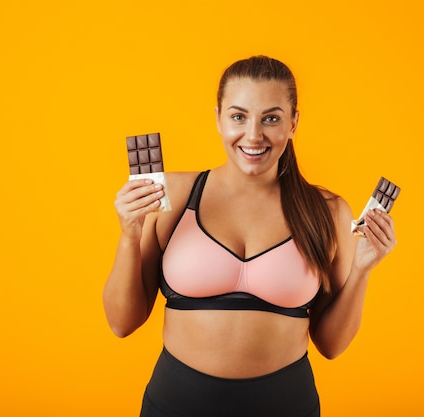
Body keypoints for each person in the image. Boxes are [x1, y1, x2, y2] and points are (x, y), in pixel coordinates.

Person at [103, 55, 397, 417]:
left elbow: (332, 345)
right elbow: (121, 323)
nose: (254, 135)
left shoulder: (328, 211)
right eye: (238, 116)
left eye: (271, 118)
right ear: (218, 118)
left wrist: (363, 270)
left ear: (293, 123)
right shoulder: (173, 197)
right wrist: (129, 236)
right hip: (174, 405)